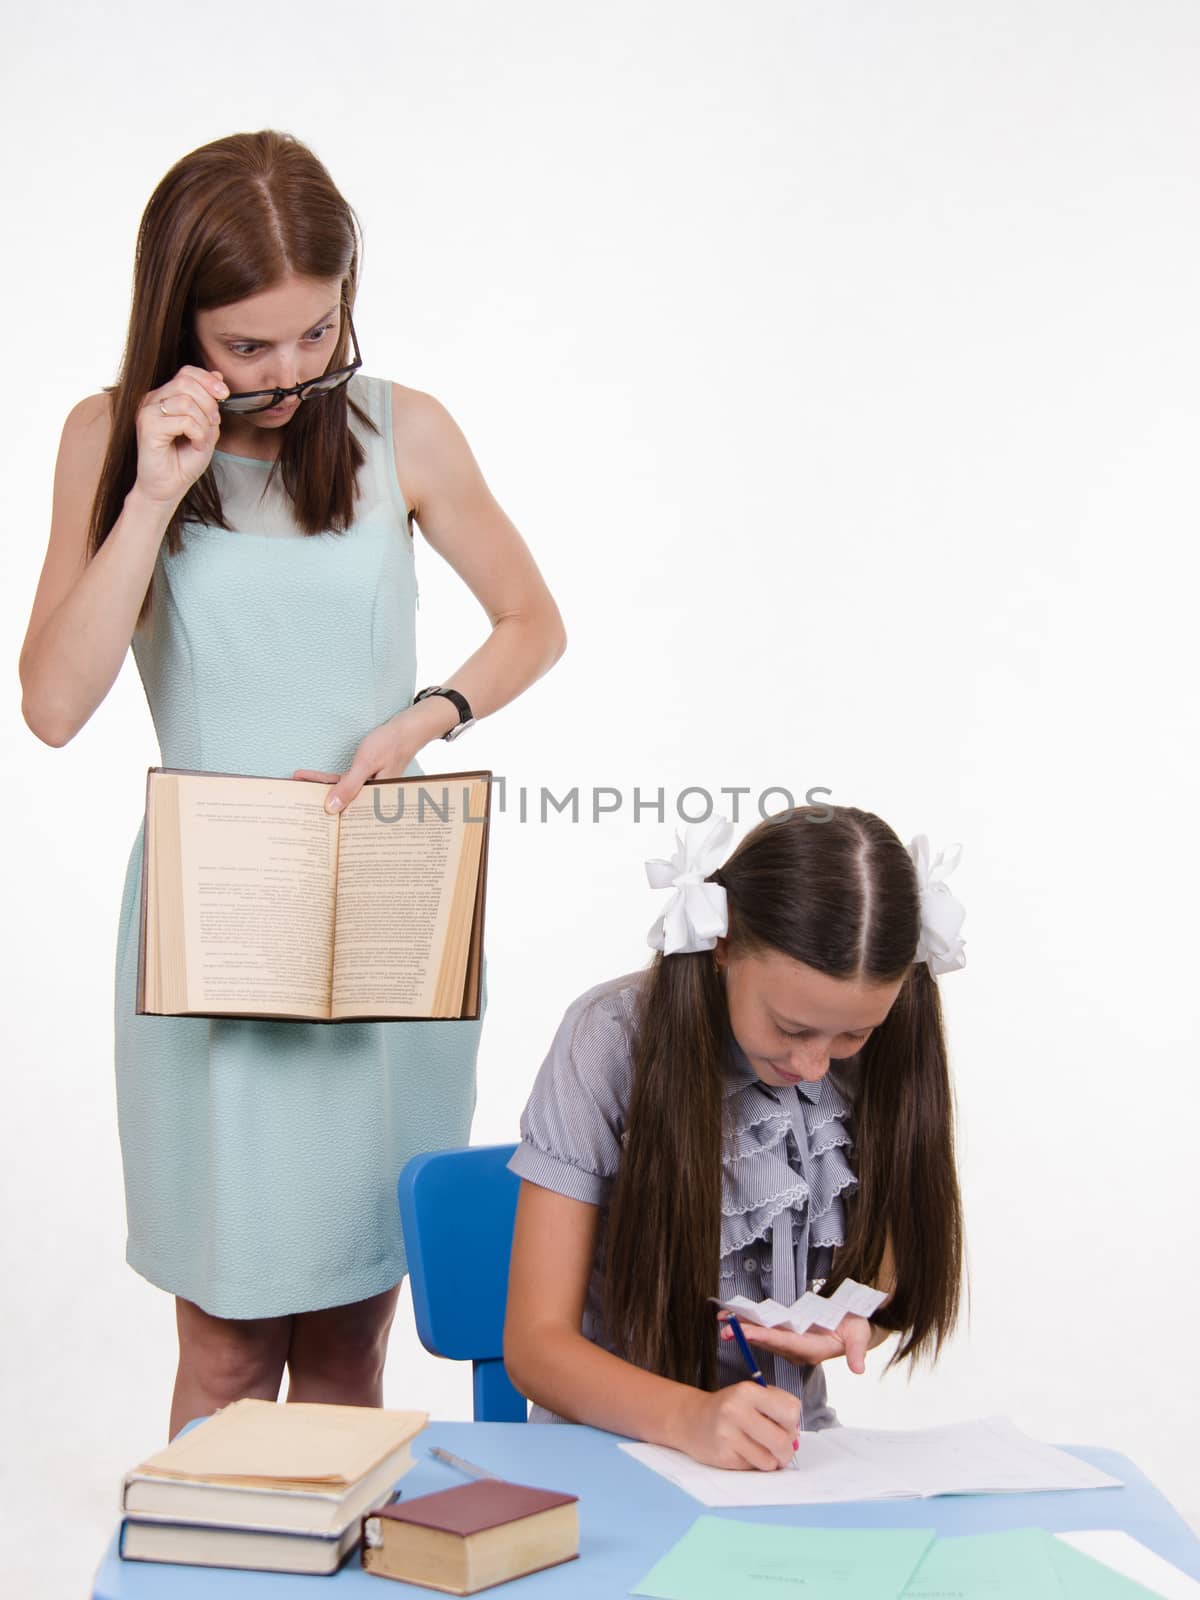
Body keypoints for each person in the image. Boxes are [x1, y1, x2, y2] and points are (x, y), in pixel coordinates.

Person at [19, 129, 566, 1439]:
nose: (286, 374)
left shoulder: (404, 429)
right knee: (223, 1346)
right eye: (248, 345)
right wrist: (155, 488)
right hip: (217, 928)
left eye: (314, 335)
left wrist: (426, 716)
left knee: (345, 1344)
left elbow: (532, 623)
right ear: (177, 315)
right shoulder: (110, 437)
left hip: (380, 911)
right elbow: (50, 704)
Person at [503, 805, 966, 1470]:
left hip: (790, 1459)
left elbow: (889, 1263)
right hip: (614, 1453)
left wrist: (854, 1312)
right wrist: (692, 1419)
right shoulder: (606, 1039)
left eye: (852, 1036)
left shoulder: (882, 1056)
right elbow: (535, 1346)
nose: (812, 1065)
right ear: (723, 949)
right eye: (790, 1028)